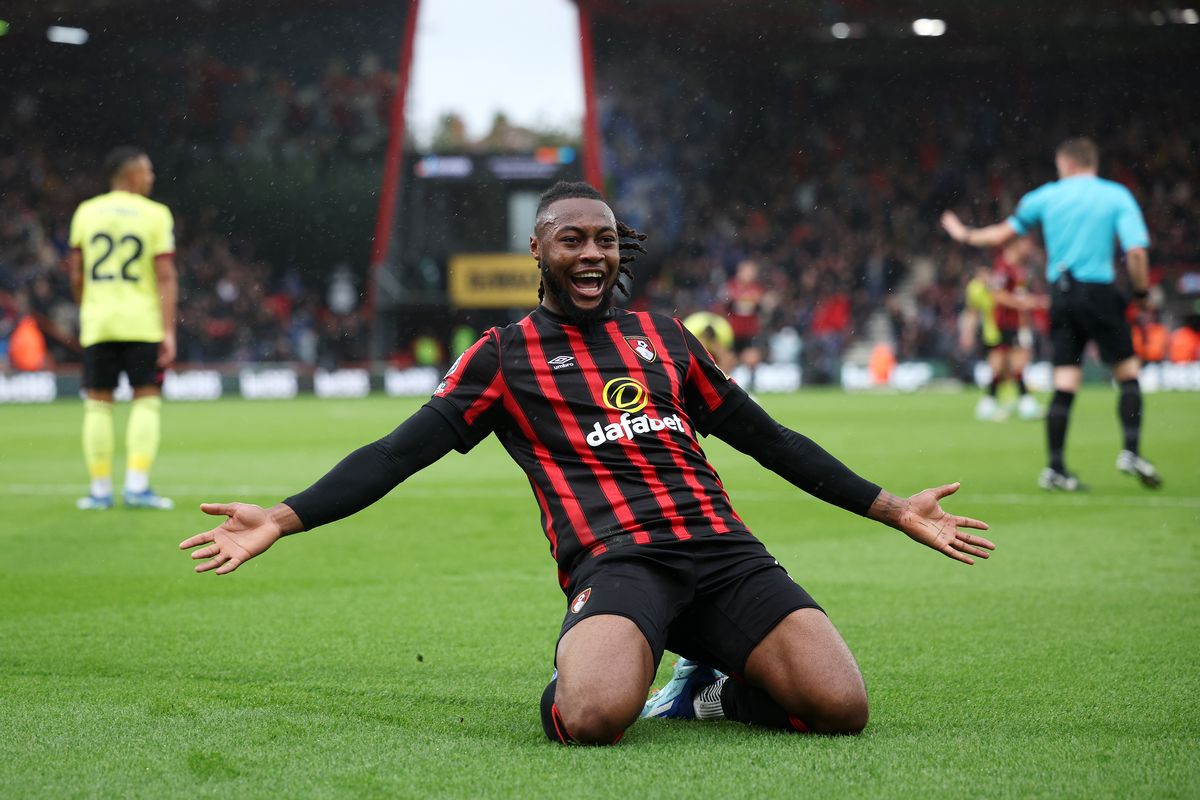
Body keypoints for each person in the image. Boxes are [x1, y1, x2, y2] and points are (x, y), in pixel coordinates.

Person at [181, 182, 994, 745]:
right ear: (537, 250)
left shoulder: (669, 338)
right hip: (617, 560)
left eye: (605, 239)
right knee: (596, 719)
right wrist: (283, 518)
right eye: (572, 240)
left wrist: (894, 507)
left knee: (840, 709)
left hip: (723, 553)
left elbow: (771, 439)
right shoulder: (504, 356)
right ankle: (597, 663)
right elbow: (398, 453)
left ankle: (706, 690)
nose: (593, 254)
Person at [941, 137, 1161, 491]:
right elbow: (1135, 252)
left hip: (1061, 294)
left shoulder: (1045, 196)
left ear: (1067, 164)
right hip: (1099, 291)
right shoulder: (1116, 196)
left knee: (1064, 382)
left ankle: (1056, 468)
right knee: (1127, 372)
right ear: (1091, 164)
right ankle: (1131, 450)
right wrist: (1140, 293)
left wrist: (963, 234)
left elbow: (1002, 234)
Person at [67, 146, 178, 510]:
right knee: (146, 400)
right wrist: (169, 330)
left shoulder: (86, 212)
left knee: (98, 404)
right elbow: (165, 276)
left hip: (99, 322)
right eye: (147, 172)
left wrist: (90, 307)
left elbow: (76, 272)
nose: (151, 177)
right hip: (143, 322)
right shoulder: (156, 215)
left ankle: (99, 491)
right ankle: (137, 486)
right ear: (131, 176)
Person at [959, 239, 1047, 421]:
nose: (1029, 248)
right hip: (1001, 324)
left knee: (1009, 365)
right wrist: (1024, 303)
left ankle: (996, 403)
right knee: (1010, 363)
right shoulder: (1003, 268)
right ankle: (1019, 403)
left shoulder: (1016, 268)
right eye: (1026, 244)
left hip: (1011, 323)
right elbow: (997, 296)